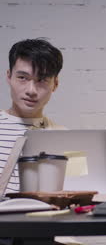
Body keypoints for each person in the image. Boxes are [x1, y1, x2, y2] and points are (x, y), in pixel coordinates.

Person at [0, 38, 64, 193]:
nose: (31, 90)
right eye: (22, 78)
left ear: (55, 84)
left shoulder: (63, 136)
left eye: (42, 80)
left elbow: (79, 189)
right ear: (9, 77)